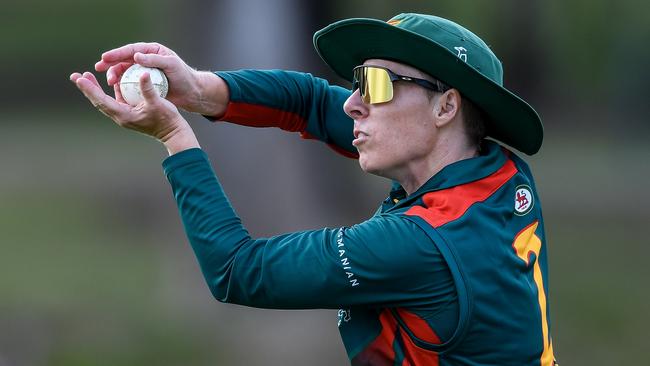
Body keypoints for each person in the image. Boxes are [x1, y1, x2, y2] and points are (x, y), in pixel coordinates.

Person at [71, 13, 557, 366]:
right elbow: (310, 101)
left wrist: (175, 137)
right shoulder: (494, 171)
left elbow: (238, 271)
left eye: (378, 85)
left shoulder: (419, 245)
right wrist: (199, 88)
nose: (353, 104)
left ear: (446, 107)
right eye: (357, 83)